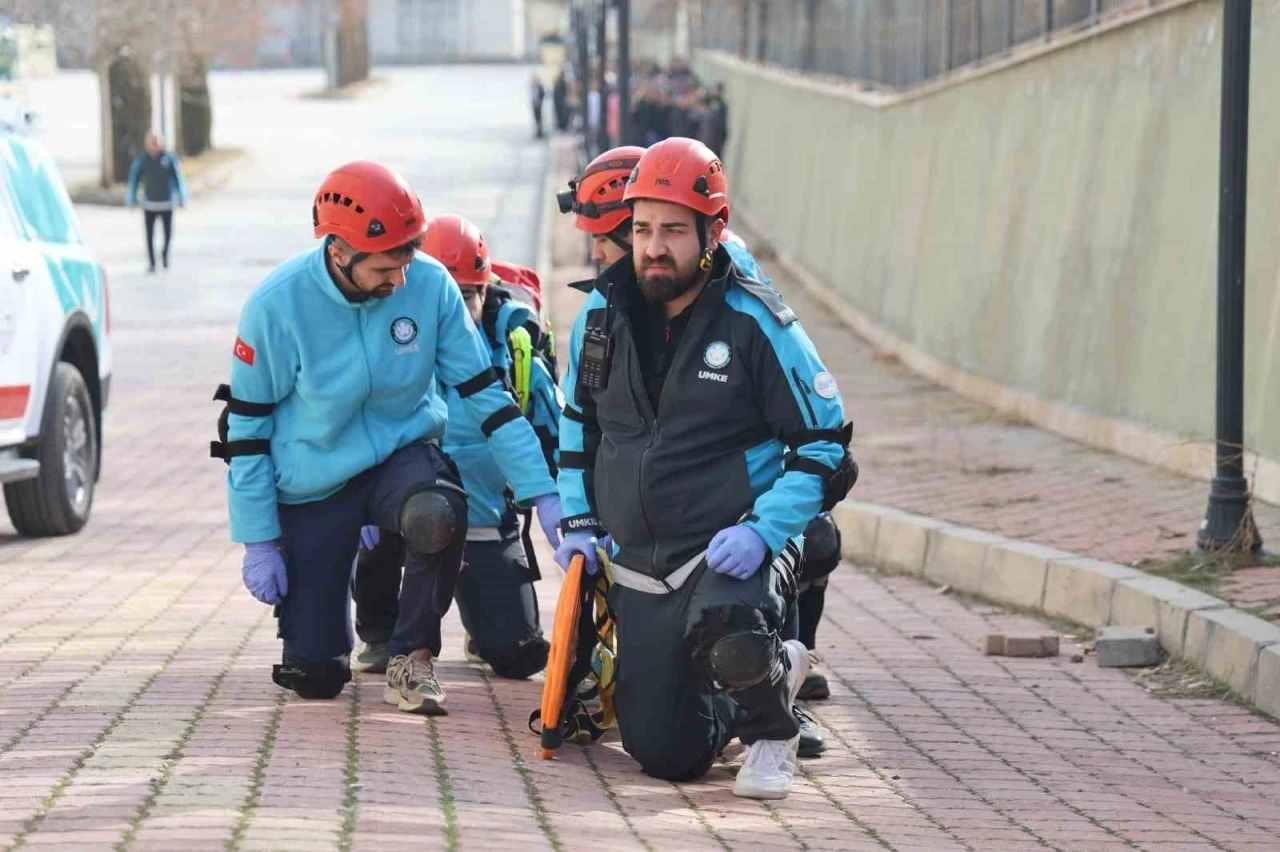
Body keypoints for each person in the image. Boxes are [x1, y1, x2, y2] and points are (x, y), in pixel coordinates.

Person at [553, 138, 857, 799]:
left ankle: (771, 730)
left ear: (712, 232)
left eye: (672, 230)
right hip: (641, 563)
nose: (653, 247)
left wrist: (764, 531)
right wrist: (577, 516)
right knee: (664, 753)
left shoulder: (756, 320)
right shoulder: (599, 318)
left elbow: (827, 445)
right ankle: (774, 674)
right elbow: (577, 428)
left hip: (731, 550)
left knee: (731, 633)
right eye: (640, 229)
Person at [213, 161, 563, 715]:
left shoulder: (429, 285)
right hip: (317, 478)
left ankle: (411, 657)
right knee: (317, 676)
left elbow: (485, 396)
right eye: (386, 266)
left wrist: (542, 491)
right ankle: (328, 631)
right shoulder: (275, 306)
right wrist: (258, 538)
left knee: (437, 511)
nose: (401, 279)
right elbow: (247, 428)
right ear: (338, 252)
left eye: (407, 257)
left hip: (403, 458)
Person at [351, 214, 562, 680]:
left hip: (484, 518)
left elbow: (551, 431)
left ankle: (482, 622)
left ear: (486, 291)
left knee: (515, 655)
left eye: (468, 296)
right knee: (378, 540)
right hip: (403, 516)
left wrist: (554, 498)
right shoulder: (394, 342)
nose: (457, 309)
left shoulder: (515, 351)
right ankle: (381, 632)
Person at [126, 133, 187, 273]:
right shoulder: (142, 161)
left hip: (166, 203)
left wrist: (182, 197)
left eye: (156, 142)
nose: (153, 145)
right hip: (149, 205)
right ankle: (152, 262)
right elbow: (134, 180)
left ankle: (165, 255)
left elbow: (178, 178)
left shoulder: (169, 159)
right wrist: (132, 199)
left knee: (167, 234)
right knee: (149, 235)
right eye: (150, 142)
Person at [530, 72, 546, 139]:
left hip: (538, 104)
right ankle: (538, 132)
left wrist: (540, 101)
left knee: (539, 119)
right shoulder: (533, 86)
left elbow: (542, 94)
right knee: (536, 119)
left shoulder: (539, 86)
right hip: (534, 104)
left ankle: (540, 132)